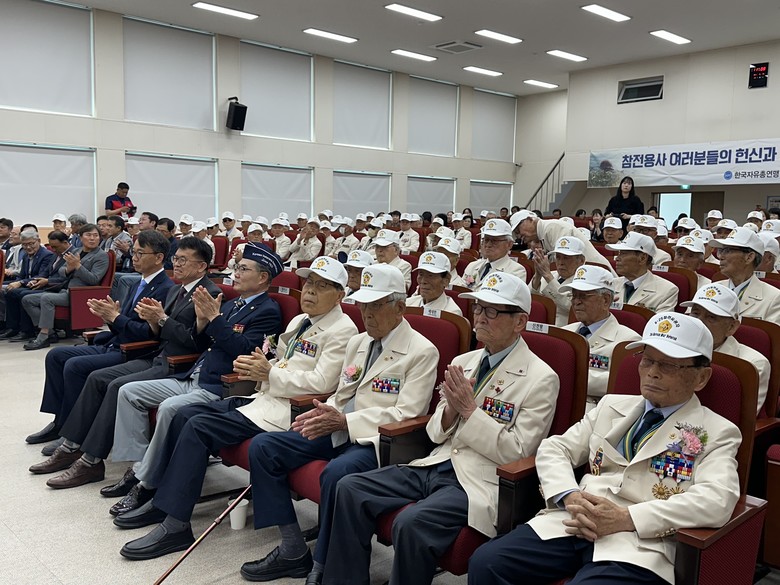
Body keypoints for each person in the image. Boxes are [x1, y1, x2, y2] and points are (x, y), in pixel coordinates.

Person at [468, 312, 741, 585]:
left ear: (701, 377)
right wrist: (569, 495)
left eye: (668, 365)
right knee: (486, 562)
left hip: (638, 544)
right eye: (647, 360)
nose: (652, 372)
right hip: (574, 522)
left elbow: (716, 500)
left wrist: (627, 518)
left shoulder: (717, 432)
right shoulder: (611, 406)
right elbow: (555, 448)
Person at [323, 272, 559, 585]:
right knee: (349, 488)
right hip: (436, 463)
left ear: (520, 322)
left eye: (492, 311)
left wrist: (470, 411)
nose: (480, 317)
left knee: (411, 523)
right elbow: (434, 433)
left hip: (479, 480)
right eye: (478, 308)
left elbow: (517, 451)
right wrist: (450, 411)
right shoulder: (466, 361)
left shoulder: (541, 378)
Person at [116, 257, 358, 559]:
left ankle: (176, 524)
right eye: (309, 283)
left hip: (289, 410)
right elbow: (284, 361)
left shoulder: (343, 330)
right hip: (264, 399)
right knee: (183, 414)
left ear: (340, 295)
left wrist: (268, 373)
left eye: (322, 286)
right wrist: (262, 365)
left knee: (198, 426)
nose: (310, 290)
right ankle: (164, 500)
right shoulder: (300, 321)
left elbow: (322, 382)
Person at [238, 264, 438, 583]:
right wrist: (325, 412)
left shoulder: (422, 351)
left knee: (338, 473)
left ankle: (323, 564)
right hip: (337, 424)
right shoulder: (359, 342)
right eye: (363, 305)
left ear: (400, 307)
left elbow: (407, 413)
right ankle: (292, 547)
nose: (366, 313)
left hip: (377, 440)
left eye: (376, 305)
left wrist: (345, 421)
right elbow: (343, 392)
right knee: (265, 447)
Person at [107, 244, 283, 515]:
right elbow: (202, 343)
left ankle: (146, 483)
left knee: (169, 408)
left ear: (262, 278)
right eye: (236, 267)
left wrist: (213, 318)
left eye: (243, 269)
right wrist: (203, 322)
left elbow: (246, 351)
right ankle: (141, 466)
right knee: (129, 392)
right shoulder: (232, 304)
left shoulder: (267, 311)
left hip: (220, 385)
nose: (235, 273)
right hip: (193, 374)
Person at [28, 237, 221, 485]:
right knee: (98, 378)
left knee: (116, 385)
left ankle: (90, 462)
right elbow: (158, 333)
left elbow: (196, 342)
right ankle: (71, 446)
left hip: (177, 364)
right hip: (156, 355)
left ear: (202, 266)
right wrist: (149, 321)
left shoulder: (210, 294)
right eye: (176, 258)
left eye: (183, 260)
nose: (177, 264)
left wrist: (160, 319)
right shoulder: (177, 289)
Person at [24, 230, 174, 446]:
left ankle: (73, 430)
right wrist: (110, 317)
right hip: (115, 342)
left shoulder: (165, 289)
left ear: (158, 257)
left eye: (140, 253)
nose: (134, 258)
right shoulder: (136, 283)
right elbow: (122, 322)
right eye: (134, 252)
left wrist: (115, 317)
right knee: (56, 356)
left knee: (75, 366)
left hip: (134, 351)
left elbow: (148, 333)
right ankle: (59, 422)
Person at [682, 283, 769, 415]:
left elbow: (741, 419)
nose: (699, 322)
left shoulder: (753, 364)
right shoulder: (672, 349)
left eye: (711, 317)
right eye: (695, 313)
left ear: (731, 327)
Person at [560, 265, 640, 409]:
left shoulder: (628, 341)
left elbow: (618, 382)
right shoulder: (564, 333)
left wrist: (562, 376)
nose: (576, 302)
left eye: (584, 296)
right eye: (574, 296)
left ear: (605, 300)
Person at [21, 225, 109, 350]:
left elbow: (94, 279)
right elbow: (61, 271)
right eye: (88, 235)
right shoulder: (77, 251)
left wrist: (78, 266)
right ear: (80, 237)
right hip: (65, 290)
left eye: (95, 235)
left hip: (81, 294)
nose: (92, 238)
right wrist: (69, 269)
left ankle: (43, 336)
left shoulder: (101, 255)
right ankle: (50, 332)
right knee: (28, 299)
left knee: (47, 298)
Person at [709, 227, 780, 323]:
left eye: (728, 251)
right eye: (721, 251)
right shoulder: (711, 289)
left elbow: (771, 331)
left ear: (749, 257)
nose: (720, 257)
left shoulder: (774, 298)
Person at [511, 210, 615, 274]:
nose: (519, 236)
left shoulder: (552, 228)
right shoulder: (544, 232)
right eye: (516, 233)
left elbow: (563, 264)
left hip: (597, 273)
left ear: (530, 219)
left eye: (518, 230)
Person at [0, 229, 55, 341]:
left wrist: (20, 283)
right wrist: (17, 282)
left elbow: (41, 275)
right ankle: (12, 327)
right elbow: (22, 275)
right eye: (24, 245)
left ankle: (26, 330)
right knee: (9, 291)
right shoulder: (26, 256)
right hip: (27, 284)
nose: (28, 247)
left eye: (31, 244)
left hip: (40, 285)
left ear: (38, 241)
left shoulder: (46, 255)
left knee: (21, 294)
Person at [607, 232, 679, 313]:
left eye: (623, 254)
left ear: (642, 258)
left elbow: (659, 320)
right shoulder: (609, 285)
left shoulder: (667, 290)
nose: (617, 258)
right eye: (619, 253)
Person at [529, 236, 586, 326]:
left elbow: (570, 306)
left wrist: (548, 276)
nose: (561, 262)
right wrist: (537, 276)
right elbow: (528, 301)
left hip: (562, 329)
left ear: (581, 261)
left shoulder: (585, 282)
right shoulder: (548, 274)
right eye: (558, 257)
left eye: (566, 258)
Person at [463, 219, 527, 289]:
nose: (488, 245)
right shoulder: (472, 266)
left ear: (509, 244)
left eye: (494, 241)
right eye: (486, 240)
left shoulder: (516, 271)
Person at [405, 251, 462, 316]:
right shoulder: (408, 304)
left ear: (446, 280)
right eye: (421, 274)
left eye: (430, 276)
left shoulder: (452, 313)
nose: (423, 281)